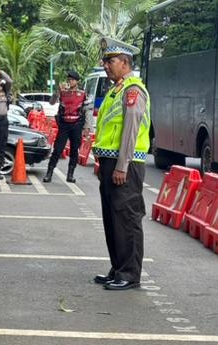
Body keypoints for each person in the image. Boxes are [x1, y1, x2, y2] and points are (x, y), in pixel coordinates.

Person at [92, 45, 150, 291]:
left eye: (111, 62)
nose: (106, 66)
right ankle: (117, 268)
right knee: (112, 219)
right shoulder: (115, 91)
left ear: (125, 63)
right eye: (105, 62)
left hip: (126, 164)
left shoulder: (133, 90)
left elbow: (130, 130)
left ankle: (129, 273)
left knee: (126, 218)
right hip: (111, 162)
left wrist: (122, 166)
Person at [44, 70, 88, 183]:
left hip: (76, 124)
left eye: (72, 80)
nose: (70, 82)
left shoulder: (82, 94)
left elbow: (87, 111)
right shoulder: (63, 93)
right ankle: (49, 173)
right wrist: (57, 92)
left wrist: (86, 127)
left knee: (74, 150)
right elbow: (51, 102)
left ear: (77, 81)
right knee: (58, 149)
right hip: (64, 124)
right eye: (69, 80)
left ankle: (70, 174)